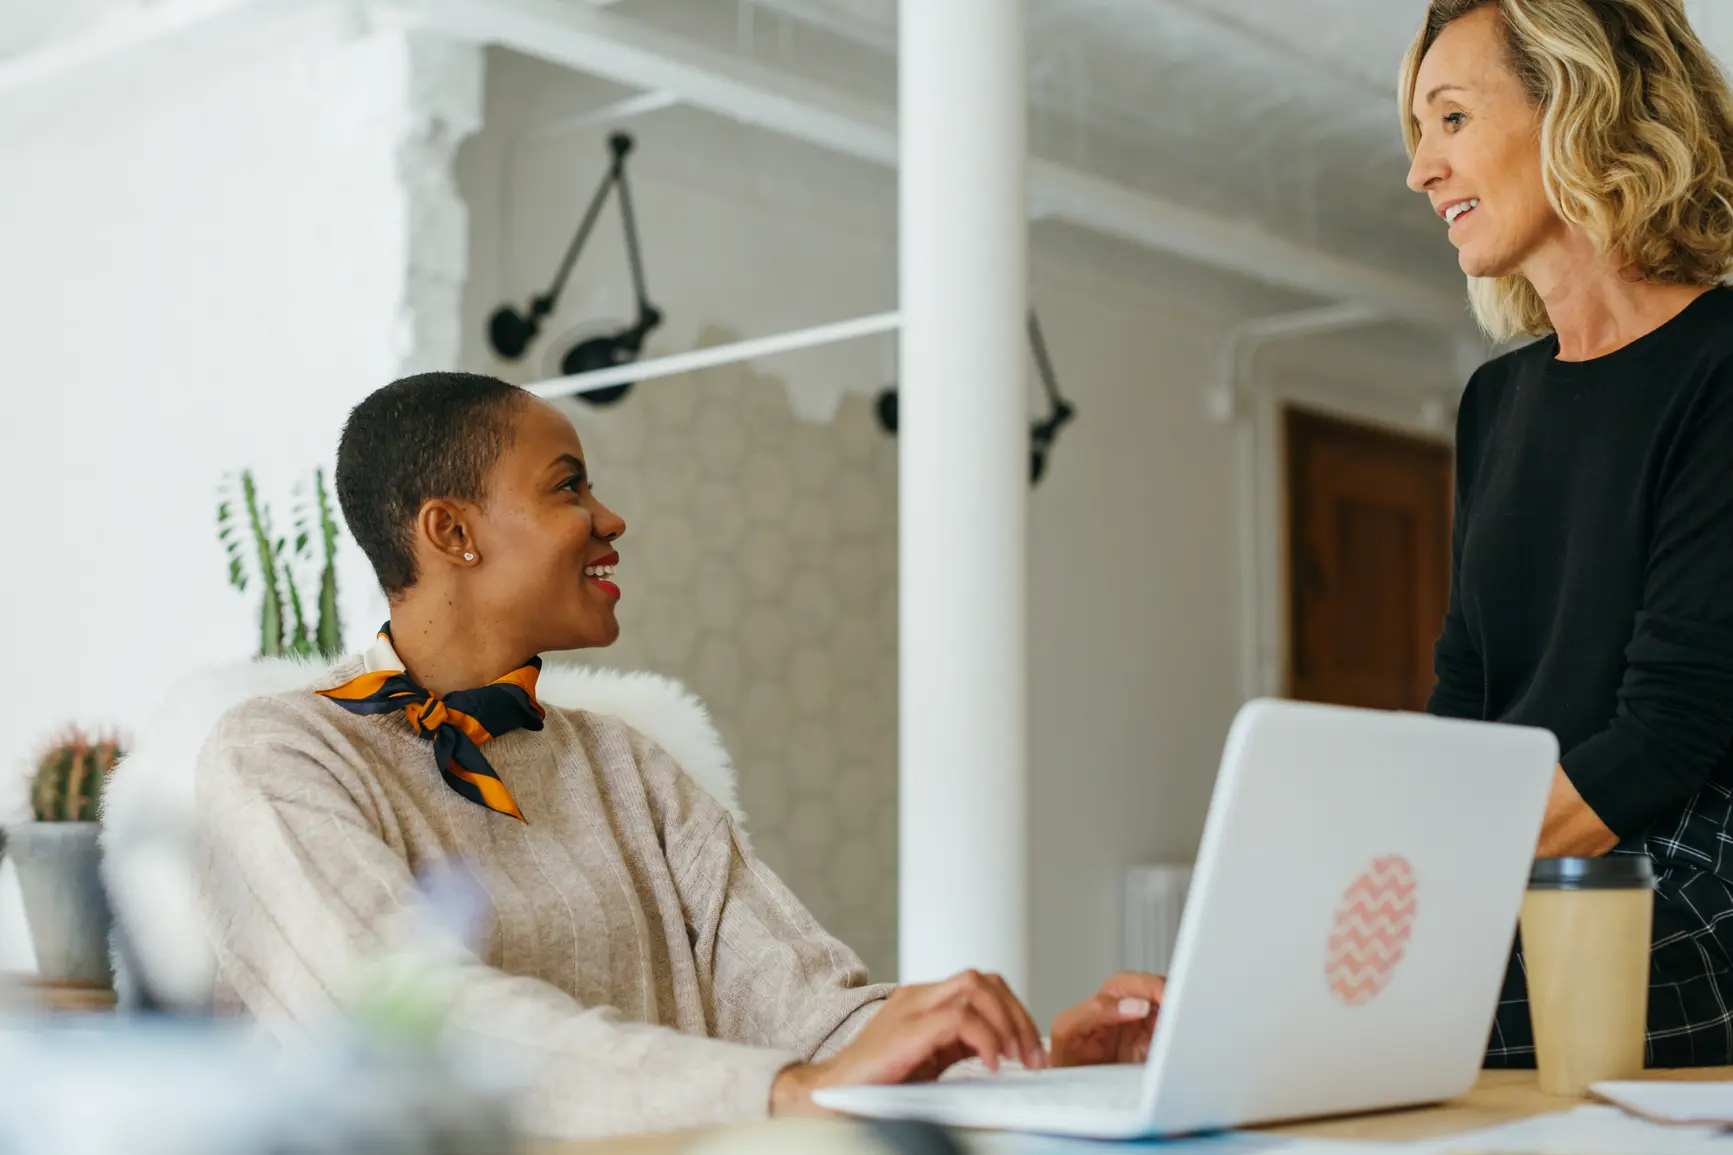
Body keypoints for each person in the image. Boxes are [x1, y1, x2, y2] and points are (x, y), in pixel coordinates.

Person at [196, 371, 1164, 1138]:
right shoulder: (276, 756)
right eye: (568, 486)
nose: (608, 519)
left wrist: (1027, 1072)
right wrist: (787, 1094)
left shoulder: (628, 766)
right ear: (451, 531)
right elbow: (413, 1032)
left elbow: (808, 1015)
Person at [1403, 0, 1733, 1066]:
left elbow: (1666, 733)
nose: (1419, 171)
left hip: (1691, 869)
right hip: (1534, 865)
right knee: (1317, 987)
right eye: (1414, 132)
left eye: (1448, 120)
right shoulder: (1492, 403)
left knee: (1389, 1005)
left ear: (1578, 105)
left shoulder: (1720, 365)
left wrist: (1438, 898)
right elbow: (1467, 693)